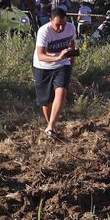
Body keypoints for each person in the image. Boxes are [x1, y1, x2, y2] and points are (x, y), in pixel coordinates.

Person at [32, 8, 78, 139]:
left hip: (62, 65)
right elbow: (41, 56)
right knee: (46, 101)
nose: (61, 28)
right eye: (57, 25)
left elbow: (72, 41)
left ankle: (51, 125)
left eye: (63, 24)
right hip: (43, 67)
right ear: (50, 21)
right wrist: (59, 57)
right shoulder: (44, 31)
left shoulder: (70, 27)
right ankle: (51, 127)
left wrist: (72, 58)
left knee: (62, 92)